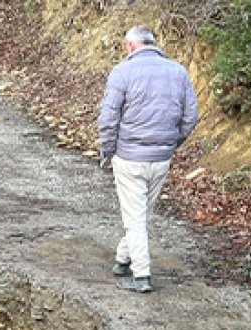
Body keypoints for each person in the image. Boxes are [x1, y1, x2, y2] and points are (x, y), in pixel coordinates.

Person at [98, 25, 199, 293]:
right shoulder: (178, 71)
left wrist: (108, 151)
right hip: (161, 157)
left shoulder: (122, 72)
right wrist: (173, 143)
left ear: (131, 46)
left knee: (135, 217)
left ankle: (141, 275)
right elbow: (191, 116)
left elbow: (108, 119)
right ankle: (123, 258)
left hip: (130, 157)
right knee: (140, 214)